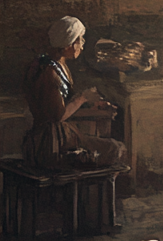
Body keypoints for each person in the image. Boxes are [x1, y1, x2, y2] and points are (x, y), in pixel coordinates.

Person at [22, 17, 125, 171]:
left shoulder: (57, 64)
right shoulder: (48, 73)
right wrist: (83, 97)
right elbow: (57, 116)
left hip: (57, 136)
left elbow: (60, 107)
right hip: (48, 144)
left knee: (114, 147)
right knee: (114, 149)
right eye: (79, 39)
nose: (82, 44)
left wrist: (94, 105)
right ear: (67, 44)